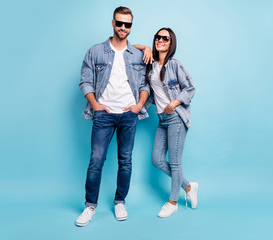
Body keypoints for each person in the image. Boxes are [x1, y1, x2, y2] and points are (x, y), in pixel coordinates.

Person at [76, 6, 149, 226]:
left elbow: (146, 83)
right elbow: (85, 80)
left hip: (128, 115)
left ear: (131, 26)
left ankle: (120, 201)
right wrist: (96, 105)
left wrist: (139, 105)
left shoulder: (137, 54)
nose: (123, 28)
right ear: (112, 23)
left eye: (127, 24)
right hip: (104, 114)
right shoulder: (96, 51)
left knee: (125, 161)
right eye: (119, 23)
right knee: (96, 160)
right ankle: (90, 206)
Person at [136, 28, 198, 218]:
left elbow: (190, 88)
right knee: (157, 160)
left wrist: (174, 103)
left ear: (171, 43)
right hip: (162, 119)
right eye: (158, 37)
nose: (161, 40)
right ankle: (188, 186)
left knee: (175, 162)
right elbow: (129, 47)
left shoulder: (175, 65)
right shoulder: (151, 64)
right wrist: (146, 47)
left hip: (176, 118)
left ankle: (173, 202)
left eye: (166, 38)